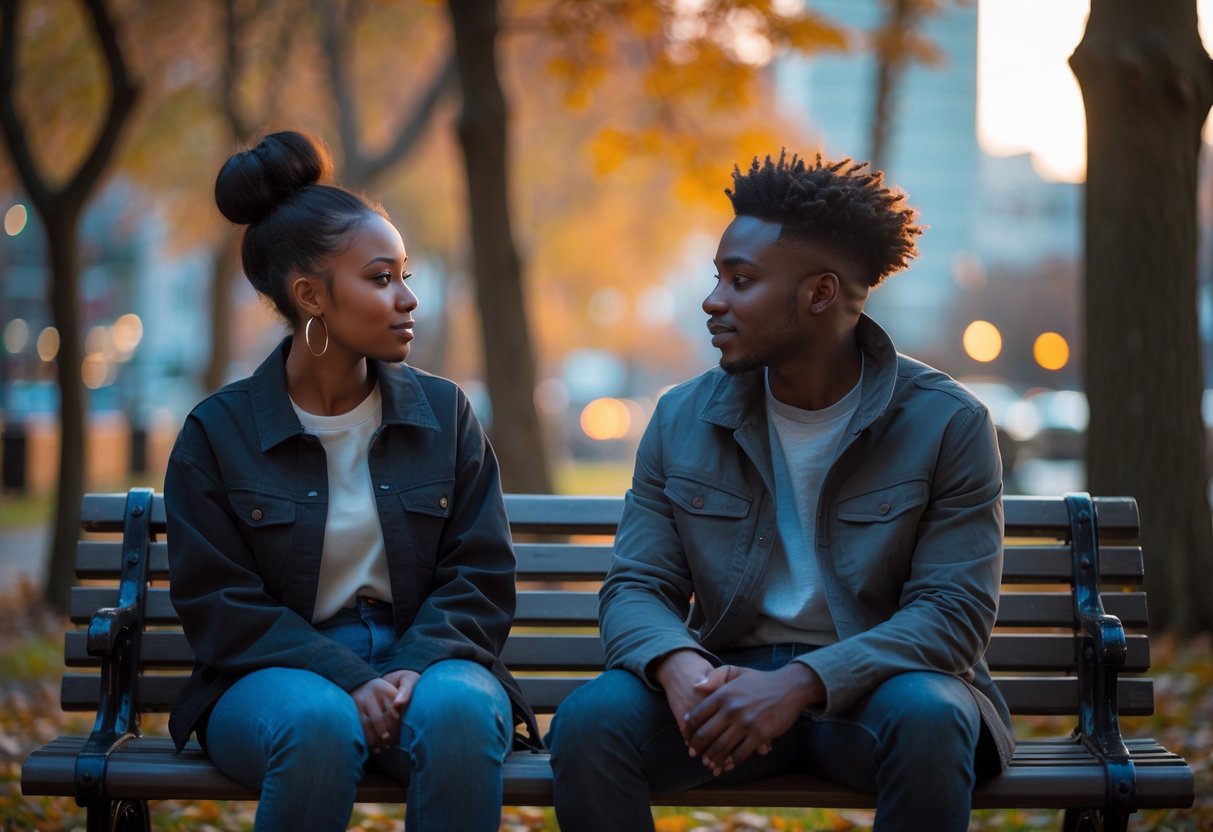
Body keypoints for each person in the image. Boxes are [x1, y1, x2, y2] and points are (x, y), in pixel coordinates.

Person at [550, 152, 1015, 831]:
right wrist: (677, 666)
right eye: (717, 278)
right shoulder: (682, 417)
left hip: (874, 694)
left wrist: (800, 684)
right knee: (591, 723)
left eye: (740, 281)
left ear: (820, 294)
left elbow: (952, 616)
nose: (714, 301)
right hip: (723, 684)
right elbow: (635, 586)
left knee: (933, 716)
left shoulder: (947, 423)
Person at [164, 130, 536, 832]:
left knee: (457, 713)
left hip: (430, 662)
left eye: (405, 276)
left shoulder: (446, 415)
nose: (406, 300)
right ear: (310, 295)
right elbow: (221, 606)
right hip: (271, 678)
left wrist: (409, 666)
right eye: (379, 278)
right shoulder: (217, 435)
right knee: (315, 724)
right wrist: (349, 677)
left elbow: (479, 573)